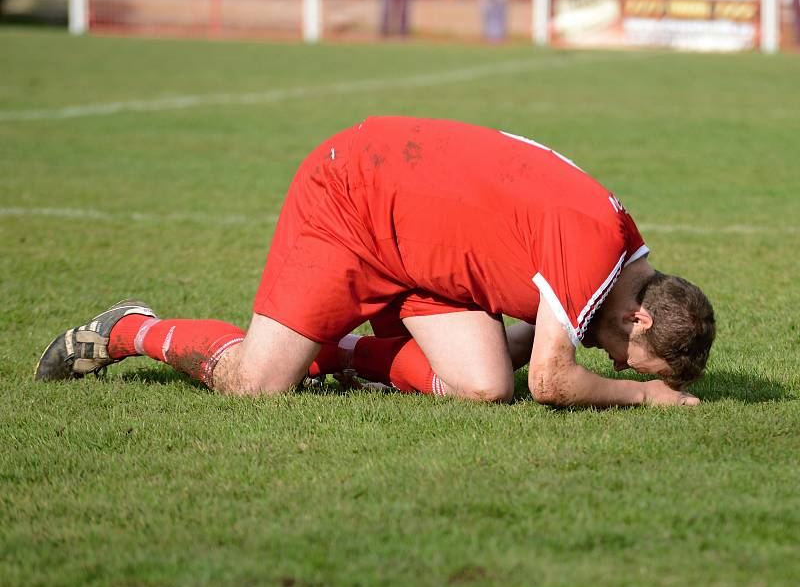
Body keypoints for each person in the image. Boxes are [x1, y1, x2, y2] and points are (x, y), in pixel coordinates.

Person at [35, 117, 715, 407]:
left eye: (629, 372)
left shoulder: (621, 252)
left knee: (482, 388)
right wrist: (644, 395)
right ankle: (128, 329)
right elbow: (552, 380)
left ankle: (332, 355)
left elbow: (539, 346)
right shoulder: (594, 248)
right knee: (258, 385)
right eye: (628, 357)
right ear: (640, 317)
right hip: (353, 198)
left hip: (425, 250)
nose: (617, 365)